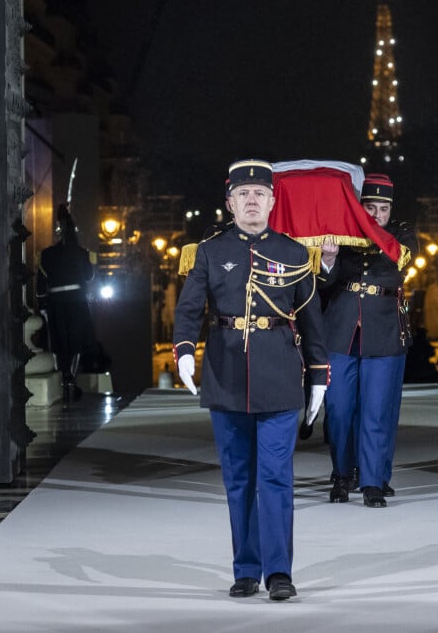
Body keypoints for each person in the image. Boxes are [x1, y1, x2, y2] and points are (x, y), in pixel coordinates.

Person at [173, 159, 329, 601]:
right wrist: (185, 352)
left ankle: (279, 572)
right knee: (238, 479)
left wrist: (318, 376)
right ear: (230, 202)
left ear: (273, 201)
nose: (252, 200)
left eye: (260, 193)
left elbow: (312, 322)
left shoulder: (296, 254)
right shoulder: (210, 250)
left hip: (279, 375)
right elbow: (188, 310)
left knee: (276, 477)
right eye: (243, 194)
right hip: (225, 376)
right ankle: (246, 569)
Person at [318, 173, 417, 508]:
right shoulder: (342, 233)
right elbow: (323, 284)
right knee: (339, 408)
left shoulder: (401, 232)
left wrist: (360, 224)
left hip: (385, 328)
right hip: (341, 328)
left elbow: (399, 258)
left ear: (391, 210)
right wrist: (329, 258)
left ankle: (373, 481)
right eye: (369, 207)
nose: (376, 215)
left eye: (382, 209)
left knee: (376, 409)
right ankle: (343, 473)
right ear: (359, 205)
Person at [36, 204, 96, 402]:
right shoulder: (81, 252)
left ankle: (65, 376)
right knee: (76, 342)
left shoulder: (47, 255)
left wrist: (42, 303)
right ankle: (70, 377)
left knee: (60, 341)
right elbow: (89, 276)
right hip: (77, 301)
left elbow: (41, 284)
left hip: (57, 302)